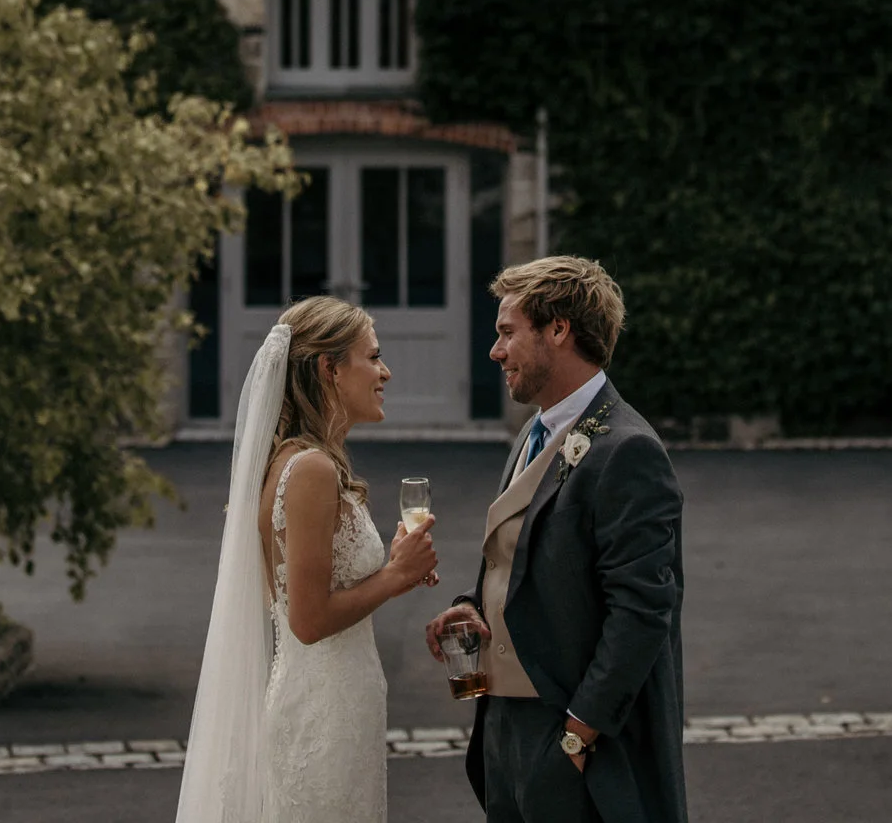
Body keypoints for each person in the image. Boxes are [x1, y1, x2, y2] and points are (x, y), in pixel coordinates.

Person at [424, 256, 686, 823]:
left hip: (573, 741)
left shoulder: (628, 451)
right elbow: (518, 560)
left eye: (507, 333)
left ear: (559, 330)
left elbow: (642, 611)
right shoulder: (533, 432)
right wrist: (470, 606)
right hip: (504, 730)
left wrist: (576, 737)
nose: (496, 352)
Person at [176, 295, 440, 823]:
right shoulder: (311, 469)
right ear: (330, 368)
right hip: (324, 714)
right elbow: (309, 619)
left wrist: (396, 570)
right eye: (372, 357)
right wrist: (394, 575)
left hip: (334, 702)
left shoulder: (301, 462)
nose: (384, 371)